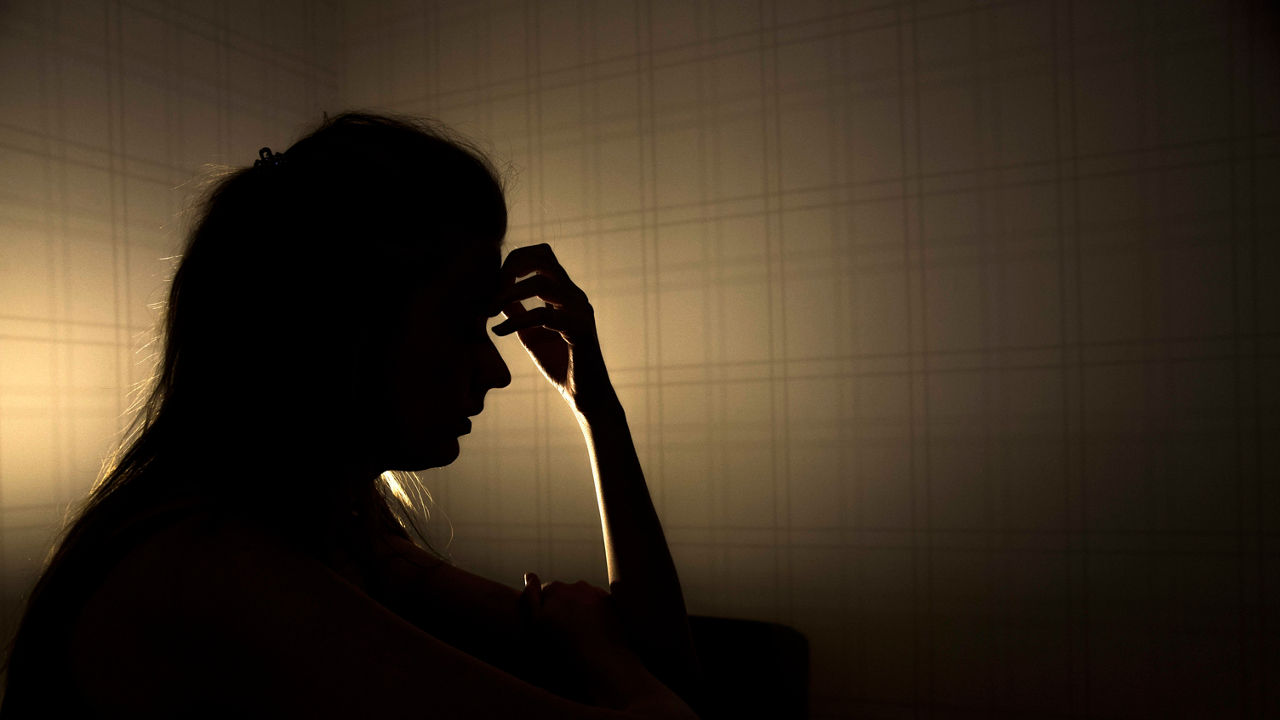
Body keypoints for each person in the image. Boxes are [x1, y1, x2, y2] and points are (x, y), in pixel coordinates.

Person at [0, 112, 703, 718]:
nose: (495, 372)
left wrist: (595, 404)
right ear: (339, 329)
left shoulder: (343, 533)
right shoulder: (214, 570)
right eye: (463, 324)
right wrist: (592, 649)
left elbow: (659, 651)